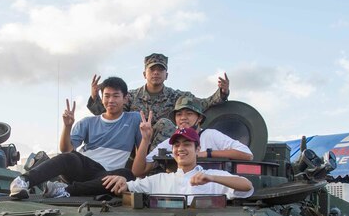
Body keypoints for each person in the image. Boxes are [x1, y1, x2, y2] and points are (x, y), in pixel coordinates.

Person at [9, 77, 140, 198]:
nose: (111, 100)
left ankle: (64, 191)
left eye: (116, 96)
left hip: (106, 175)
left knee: (127, 175)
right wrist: (67, 127)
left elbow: (141, 154)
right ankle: (22, 181)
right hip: (84, 166)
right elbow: (66, 149)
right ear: (102, 97)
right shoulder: (88, 122)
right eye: (107, 96)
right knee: (69, 157)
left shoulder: (135, 119)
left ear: (125, 98)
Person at [87, 53, 229, 148]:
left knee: (164, 124)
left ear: (166, 75)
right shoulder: (130, 96)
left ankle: (154, 164)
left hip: (161, 147)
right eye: (152, 69)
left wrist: (222, 93)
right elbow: (111, 116)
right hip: (134, 144)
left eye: (160, 70)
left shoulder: (175, 96)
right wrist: (95, 98)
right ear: (144, 74)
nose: (156, 73)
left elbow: (201, 104)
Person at [100, 127, 253, 200]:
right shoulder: (160, 180)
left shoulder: (212, 176)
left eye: (187, 144)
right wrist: (122, 181)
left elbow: (247, 186)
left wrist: (212, 178)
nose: (181, 149)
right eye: (177, 145)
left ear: (198, 149)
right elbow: (129, 186)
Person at [130, 96, 252, 177]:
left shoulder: (210, 135)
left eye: (189, 113)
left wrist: (207, 154)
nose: (183, 118)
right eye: (179, 114)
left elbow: (247, 154)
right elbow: (138, 171)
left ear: (199, 118)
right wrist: (145, 140)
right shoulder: (170, 143)